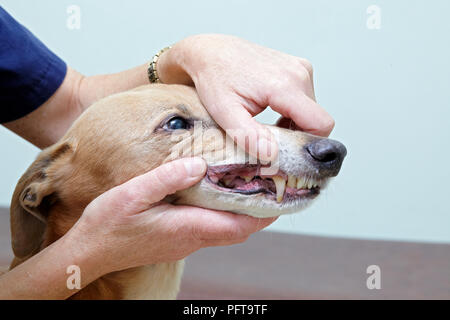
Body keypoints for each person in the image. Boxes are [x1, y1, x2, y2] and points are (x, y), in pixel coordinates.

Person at [0, 7, 334, 299]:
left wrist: (184, 56)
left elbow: (69, 105)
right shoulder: (60, 176)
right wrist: (90, 255)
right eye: (176, 124)